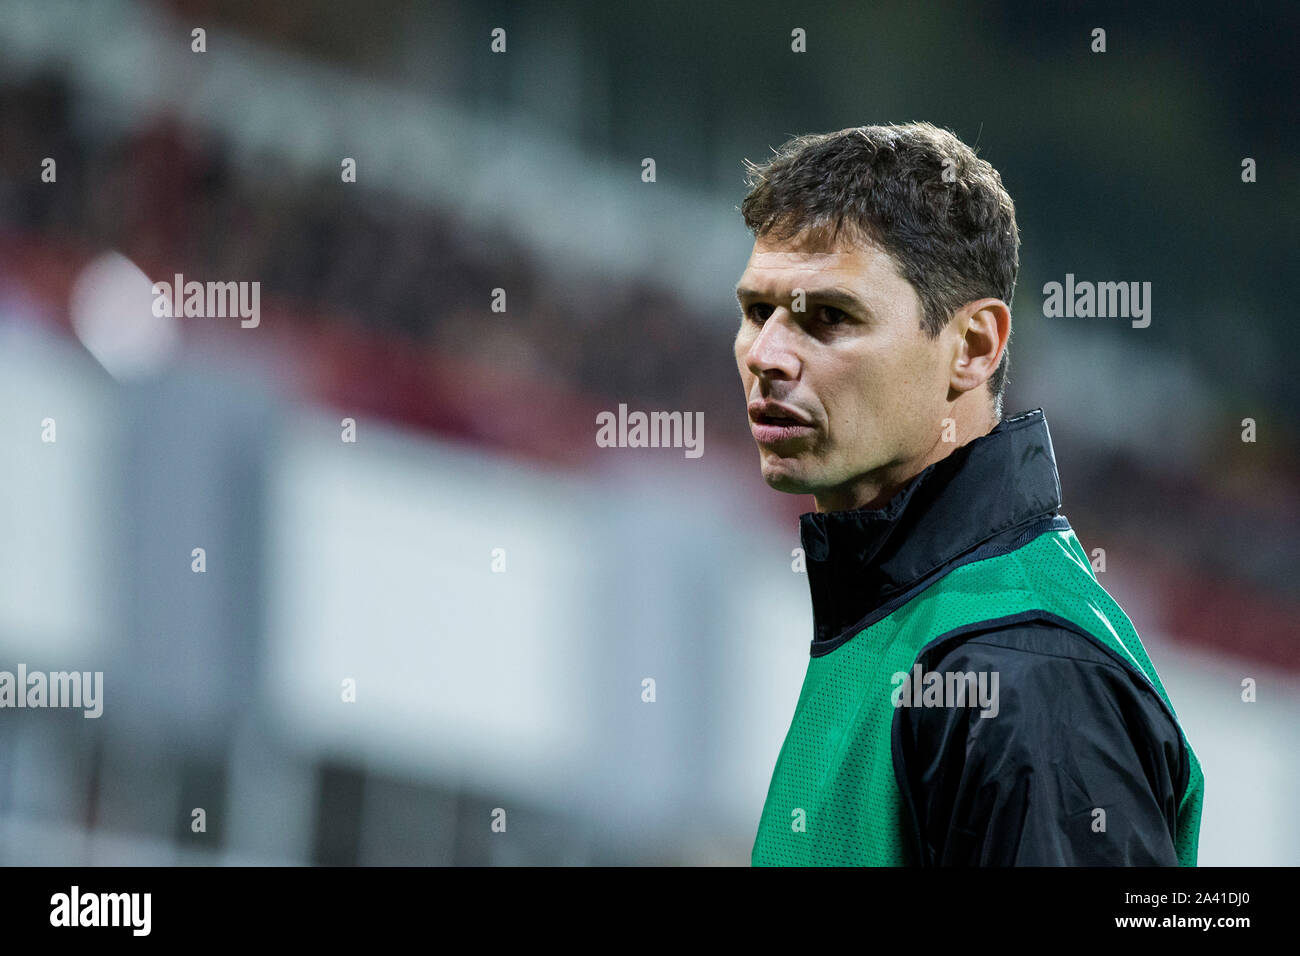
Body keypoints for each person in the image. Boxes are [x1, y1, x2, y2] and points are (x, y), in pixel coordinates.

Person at [736, 122, 1203, 865]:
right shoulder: (899, 624)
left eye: (829, 317)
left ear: (974, 346)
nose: (766, 356)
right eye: (758, 311)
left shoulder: (1025, 677)